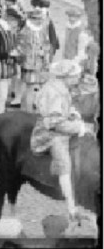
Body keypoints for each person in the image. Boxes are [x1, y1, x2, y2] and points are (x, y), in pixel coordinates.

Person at [30, 59, 87, 220]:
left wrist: (73, 113)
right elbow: (56, 124)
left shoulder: (61, 87)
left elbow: (64, 109)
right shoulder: (54, 91)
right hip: (49, 133)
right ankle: (71, 207)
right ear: (66, 77)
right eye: (75, 76)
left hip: (58, 124)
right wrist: (78, 127)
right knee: (65, 164)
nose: (77, 78)